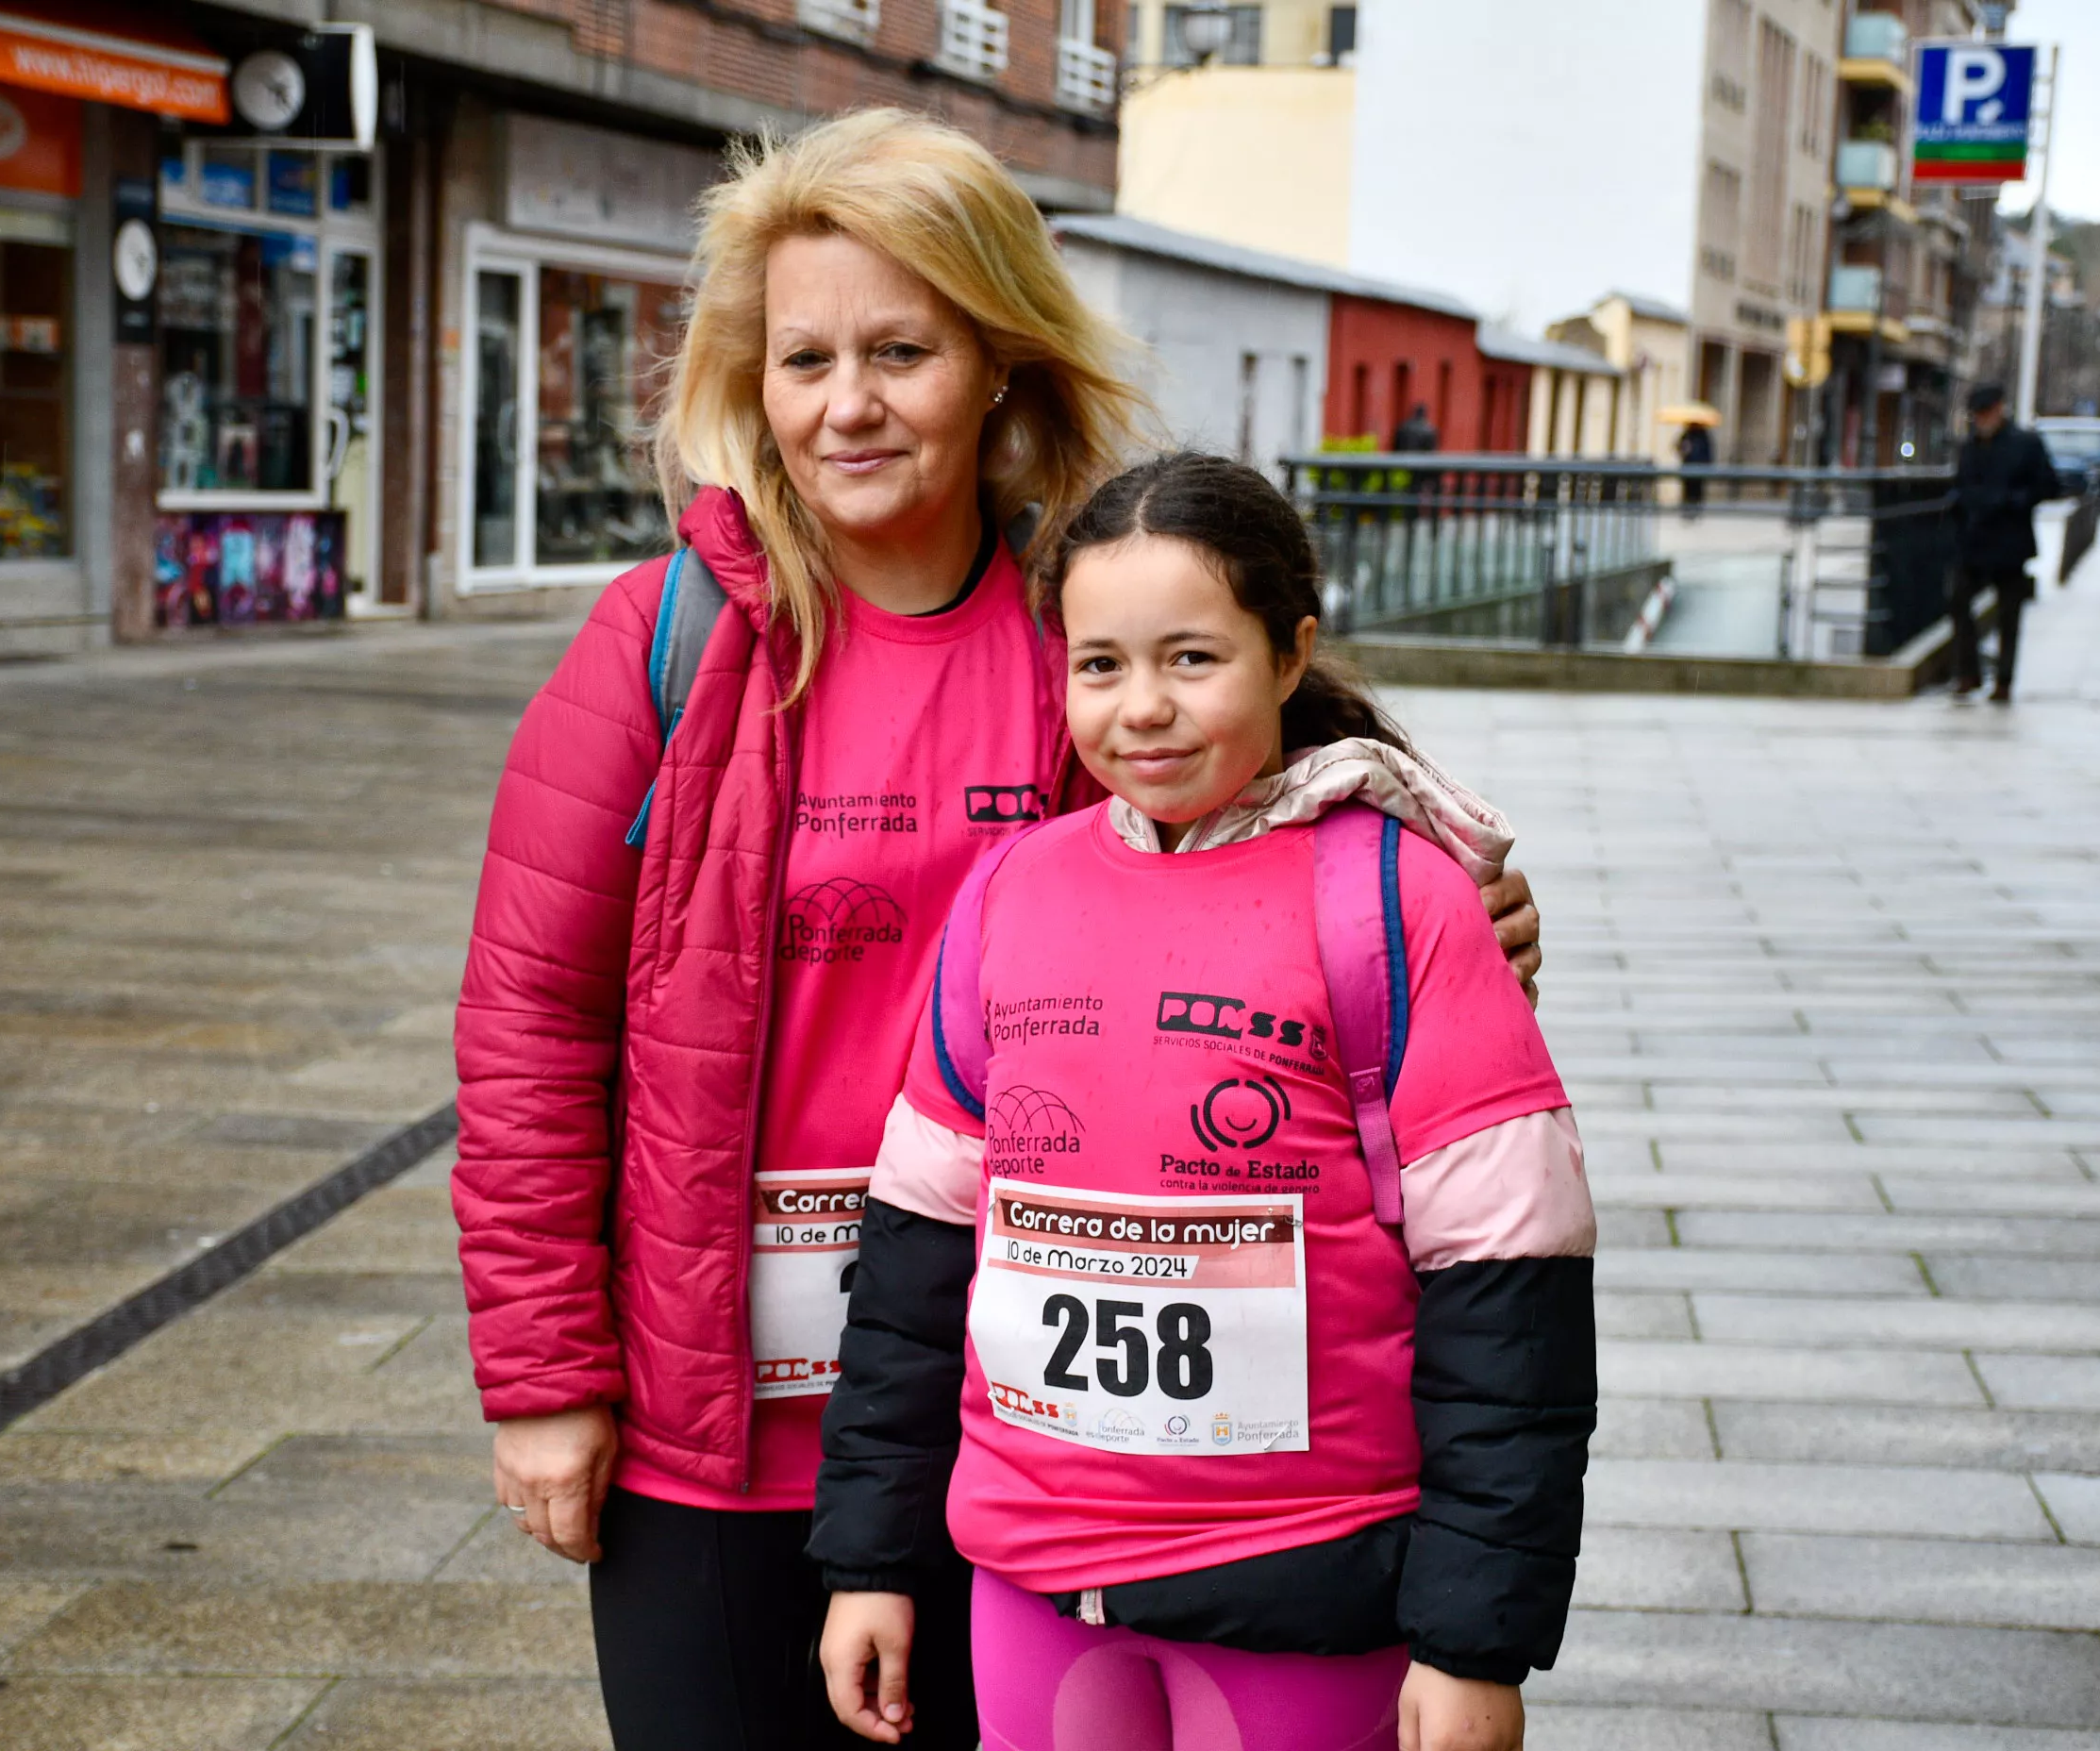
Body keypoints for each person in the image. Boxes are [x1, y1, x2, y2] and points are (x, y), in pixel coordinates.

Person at [453, 114, 1547, 1751]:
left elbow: (1335, 854)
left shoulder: (1097, 635)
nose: (845, 404)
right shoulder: (659, 642)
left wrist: (1462, 905)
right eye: (803, 356)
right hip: (712, 1423)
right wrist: (544, 1376)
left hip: (1022, 1431)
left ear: (995, 364)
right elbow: (530, 1025)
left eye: (899, 349)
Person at [811, 452, 1596, 1751]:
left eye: (1192, 659)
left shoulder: (1396, 904)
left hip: (1307, 1581)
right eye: (1102, 664)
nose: (1143, 710)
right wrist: (869, 1560)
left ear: (1290, 656)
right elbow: (911, 1275)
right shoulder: (1010, 895)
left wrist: (1473, 1642)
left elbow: (1510, 1311)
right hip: (1033, 1582)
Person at [1949, 383, 2063, 702]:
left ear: (1999, 409)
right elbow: (1961, 485)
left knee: (2009, 615)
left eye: (1986, 412)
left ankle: (2004, 679)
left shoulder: (2025, 444)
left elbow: (2049, 486)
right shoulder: (1970, 446)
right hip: (1974, 540)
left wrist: (2013, 501)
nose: (1981, 419)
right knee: (1958, 600)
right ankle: (1968, 672)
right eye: (1977, 415)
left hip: (2010, 541)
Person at [1675, 418, 1714, 518]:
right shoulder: (1687, 434)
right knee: (1688, 489)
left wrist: (1708, 466)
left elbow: (1708, 452)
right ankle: (1687, 511)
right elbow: (1678, 446)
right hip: (1688, 466)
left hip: (1700, 467)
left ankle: (1696, 511)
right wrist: (1684, 448)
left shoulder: (1703, 435)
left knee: (1697, 490)